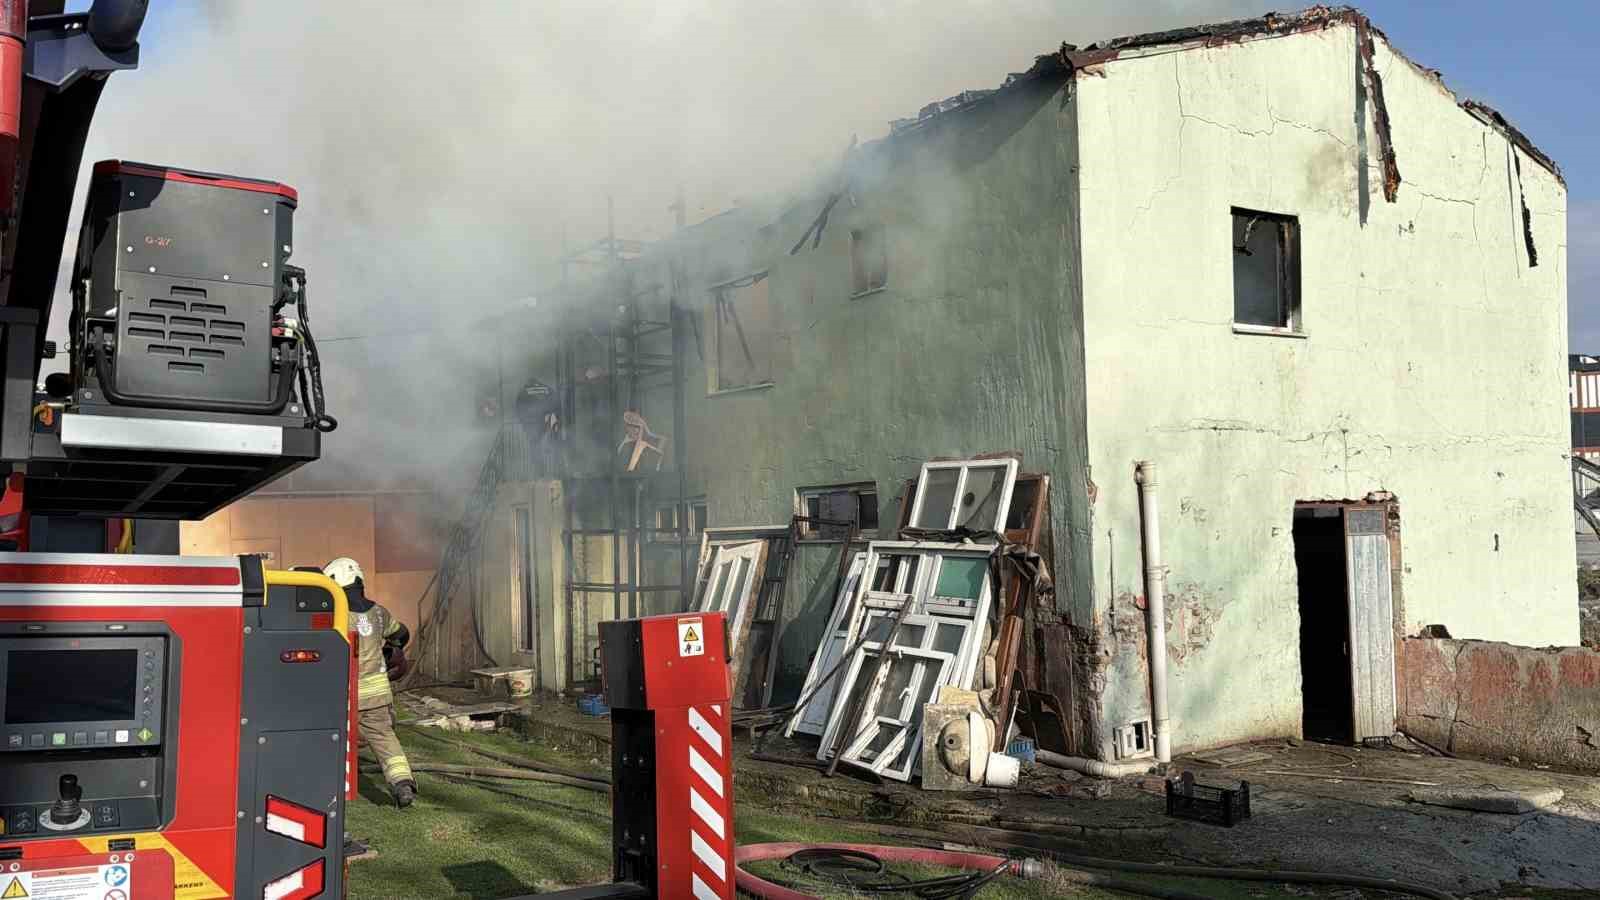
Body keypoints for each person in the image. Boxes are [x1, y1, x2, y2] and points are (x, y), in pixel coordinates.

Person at [322, 557, 417, 809]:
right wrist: (392, 648)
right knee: (384, 738)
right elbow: (402, 634)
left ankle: (325, 789)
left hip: (343, 695)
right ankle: (402, 784)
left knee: (330, 739)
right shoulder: (378, 612)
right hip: (377, 695)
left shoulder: (334, 614)